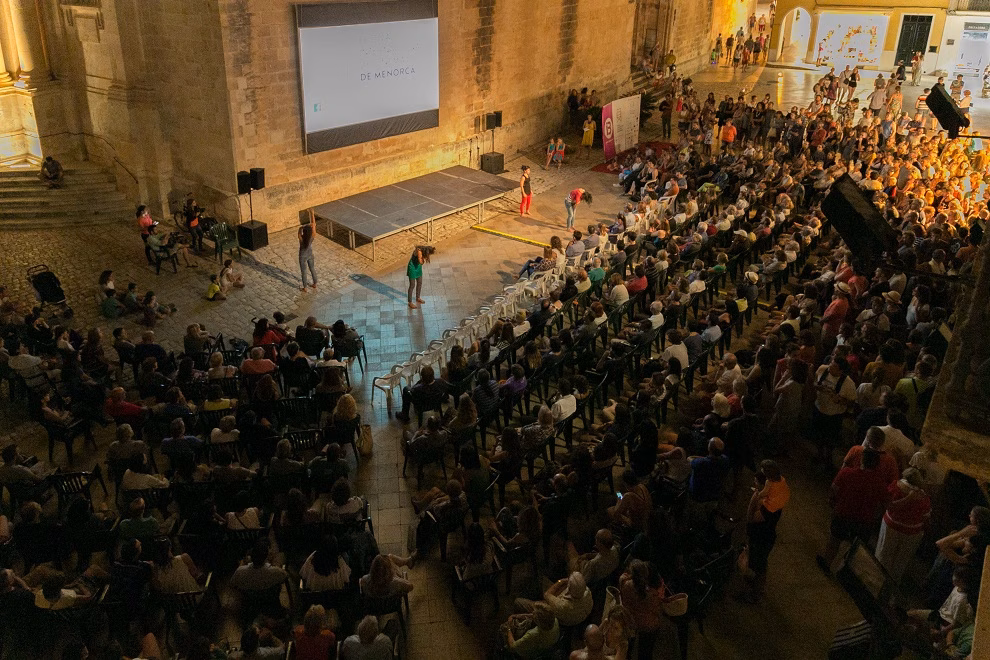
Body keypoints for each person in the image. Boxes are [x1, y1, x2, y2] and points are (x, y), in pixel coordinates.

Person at [817, 449, 889, 575]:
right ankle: (845, 572)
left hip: (842, 515)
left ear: (862, 460)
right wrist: (875, 517)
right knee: (854, 548)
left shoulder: (846, 473)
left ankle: (827, 564)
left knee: (834, 541)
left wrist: (833, 503)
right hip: (864, 521)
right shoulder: (880, 483)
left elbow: (833, 490)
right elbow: (884, 503)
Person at [741, 460, 790, 603]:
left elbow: (751, 518)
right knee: (759, 563)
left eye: (756, 482)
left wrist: (755, 498)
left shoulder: (768, 508)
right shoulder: (776, 493)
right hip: (764, 537)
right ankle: (756, 584)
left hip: (762, 538)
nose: (754, 484)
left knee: (760, 565)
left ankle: (756, 594)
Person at [875, 467, 931, 582]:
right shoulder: (924, 497)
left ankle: (877, 578)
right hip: (912, 532)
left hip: (891, 525)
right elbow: (925, 517)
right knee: (901, 560)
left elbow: (889, 505)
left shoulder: (896, 486)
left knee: (884, 553)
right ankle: (892, 583)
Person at [298, 211, 317, 291]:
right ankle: (315, 283)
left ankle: (305, 287)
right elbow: (314, 225)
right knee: (312, 269)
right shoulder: (312, 237)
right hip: (310, 254)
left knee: (304, 271)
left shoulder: (301, 239)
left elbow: (299, 231)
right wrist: (312, 214)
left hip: (302, 256)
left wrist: (302, 227)